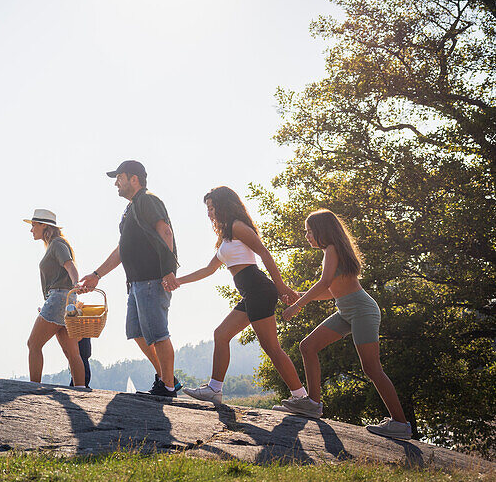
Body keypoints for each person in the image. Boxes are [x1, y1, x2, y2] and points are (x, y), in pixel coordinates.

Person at [167, 186, 311, 406]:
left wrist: (281, 286)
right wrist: (178, 281)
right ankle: (214, 389)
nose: (209, 213)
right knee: (221, 334)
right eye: (208, 208)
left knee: (271, 347)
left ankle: (301, 397)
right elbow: (208, 270)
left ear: (224, 205)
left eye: (212, 207)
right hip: (251, 293)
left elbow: (264, 253)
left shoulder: (238, 227)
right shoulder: (226, 236)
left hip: (259, 290)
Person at [280, 209, 411, 439]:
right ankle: (313, 403)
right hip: (346, 310)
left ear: (322, 231)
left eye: (309, 231)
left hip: (362, 310)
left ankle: (400, 424)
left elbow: (325, 282)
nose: (307, 236)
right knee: (307, 346)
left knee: (371, 368)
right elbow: (331, 291)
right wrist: (298, 296)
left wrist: (298, 305)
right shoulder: (329, 251)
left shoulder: (332, 249)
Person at [78, 161, 181, 397]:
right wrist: (97, 275)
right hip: (136, 283)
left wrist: (167, 269)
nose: (116, 182)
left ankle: (167, 387)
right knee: (136, 331)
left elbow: (165, 231)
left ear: (134, 179)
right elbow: (122, 249)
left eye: (119, 177)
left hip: (152, 279)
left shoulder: (147, 200)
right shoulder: (131, 208)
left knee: (158, 333)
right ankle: (168, 379)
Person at [24, 209, 87, 387]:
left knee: (33, 344)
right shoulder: (56, 244)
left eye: (34, 225)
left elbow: (70, 266)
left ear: (44, 226)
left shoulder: (57, 244)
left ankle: (33, 387)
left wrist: (76, 284)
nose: (31, 230)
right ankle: (81, 390)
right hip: (66, 301)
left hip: (59, 298)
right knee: (72, 352)